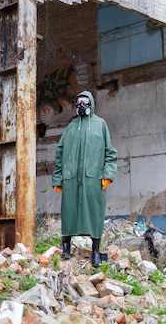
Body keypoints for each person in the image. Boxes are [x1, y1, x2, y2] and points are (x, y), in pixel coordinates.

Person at [52, 91, 118, 267]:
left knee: (94, 213)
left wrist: (107, 175)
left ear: (91, 104)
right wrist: (58, 178)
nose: (82, 105)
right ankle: (66, 246)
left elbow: (110, 153)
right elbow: (59, 153)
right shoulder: (71, 127)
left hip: (93, 179)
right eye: (79, 102)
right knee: (69, 211)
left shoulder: (100, 125)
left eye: (85, 102)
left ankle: (95, 251)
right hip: (71, 178)